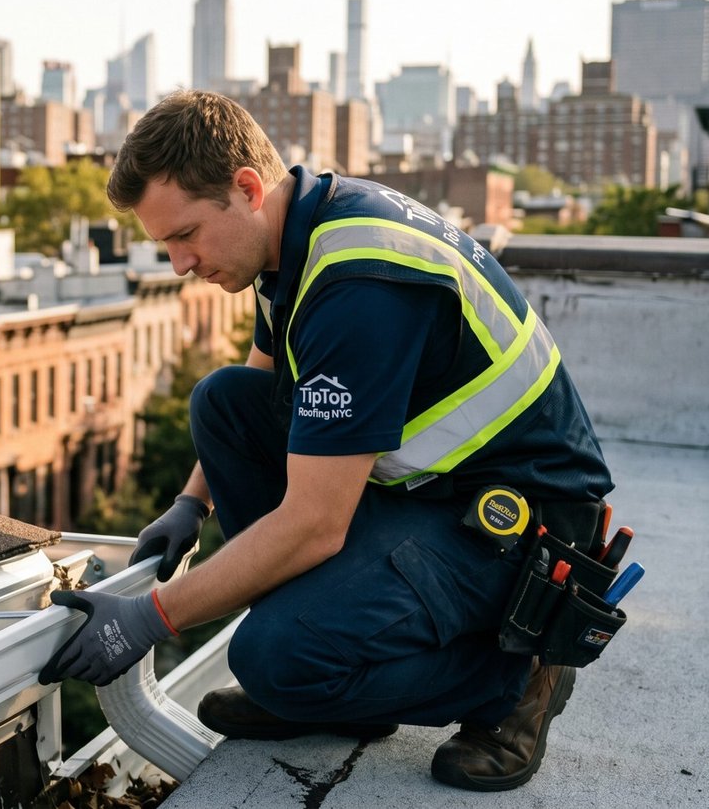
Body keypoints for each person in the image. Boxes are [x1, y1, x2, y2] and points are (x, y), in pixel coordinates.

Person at [39, 90, 614, 791]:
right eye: (167, 244)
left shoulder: (358, 284)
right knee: (222, 402)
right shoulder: (293, 231)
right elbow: (260, 383)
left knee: (271, 658)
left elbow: (314, 524)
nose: (179, 263)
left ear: (246, 189)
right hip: (433, 490)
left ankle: (514, 678)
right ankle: (337, 682)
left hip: (521, 528)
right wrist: (192, 503)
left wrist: (150, 617)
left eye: (184, 235)